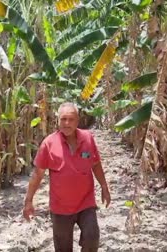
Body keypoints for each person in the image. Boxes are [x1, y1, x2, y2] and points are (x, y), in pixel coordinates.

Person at [23, 102, 111, 252]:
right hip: (60, 208)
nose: (67, 123)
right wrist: (29, 201)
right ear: (58, 121)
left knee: (92, 237)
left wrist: (104, 187)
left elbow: (95, 164)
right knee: (63, 248)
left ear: (78, 120)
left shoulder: (88, 138)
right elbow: (37, 174)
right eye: (63, 119)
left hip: (86, 203)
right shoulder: (49, 144)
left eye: (71, 119)